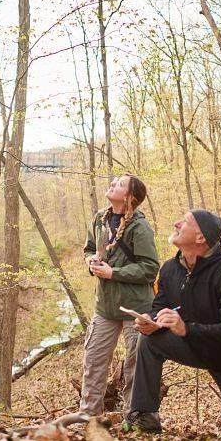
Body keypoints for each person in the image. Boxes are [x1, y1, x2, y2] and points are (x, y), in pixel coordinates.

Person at [124, 210, 221, 439]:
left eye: (185, 221)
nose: (176, 222)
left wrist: (186, 328)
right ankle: (145, 416)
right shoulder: (169, 269)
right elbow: (160, 305)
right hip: (192, 346)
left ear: (201, 238)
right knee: (147, 340)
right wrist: (153, 321)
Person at [80, 174, 160, 415]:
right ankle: (88, 416)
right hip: (105, 305)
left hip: (135, 306)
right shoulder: (99, 219)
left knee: (135, 365)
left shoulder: (140, 226)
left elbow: (150, 268)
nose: (113, 184)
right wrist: (91, 262)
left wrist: (113, 272)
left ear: (130, 197)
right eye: (113, 181)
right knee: (94, 361)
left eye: (120, 184)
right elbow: (89, 249)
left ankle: (134, 416)